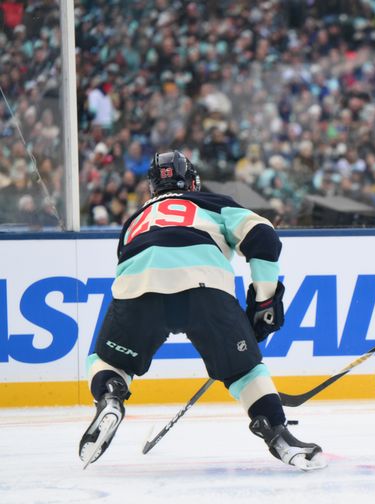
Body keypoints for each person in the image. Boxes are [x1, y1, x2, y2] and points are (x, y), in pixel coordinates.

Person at [79, 150, 326, 471]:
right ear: (192, 181)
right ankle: (279, 436)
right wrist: (264, 300)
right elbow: (263, 236)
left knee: (107, 361)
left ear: (152, 189)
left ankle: (110, 395)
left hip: (139, 286)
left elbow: (128, 260)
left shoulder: (135, 219)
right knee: (244, 370)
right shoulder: (210, 203)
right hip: (204, 288)